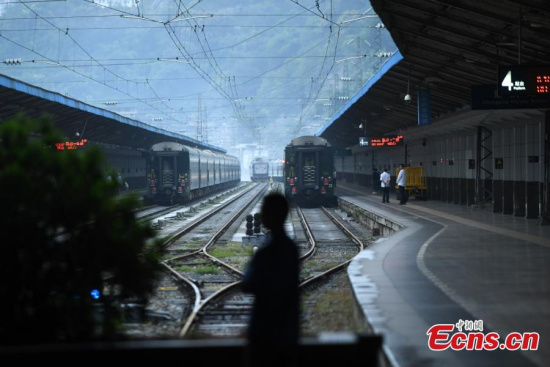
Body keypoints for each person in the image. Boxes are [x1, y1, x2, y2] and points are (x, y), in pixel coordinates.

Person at [241, 193, 300, 367]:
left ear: (272, 215)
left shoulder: (265, 253)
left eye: (264, 210)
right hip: (288, 330)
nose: (262, 214)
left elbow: (248, 284)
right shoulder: (292, 249)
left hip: (263, 330)